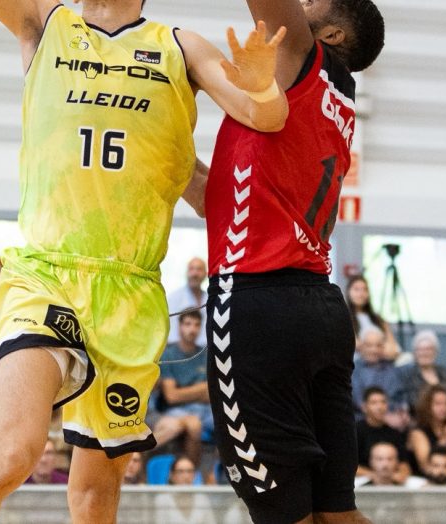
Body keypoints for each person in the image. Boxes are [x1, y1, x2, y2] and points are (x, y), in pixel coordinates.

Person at [0, 0, 292, 520]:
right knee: (12, 453)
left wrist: (262, 86)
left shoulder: (180, 46)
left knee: (96, 490)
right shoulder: (47, 22)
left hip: (130, 292)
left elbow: (266, 115)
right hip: (47, 272)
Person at [194, 0, 384, 518]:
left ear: (333, 35)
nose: (299, 4)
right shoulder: (336, 97)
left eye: (311, 2)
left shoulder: (300, 53)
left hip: (258, 304)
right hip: (318, 306)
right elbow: (223, 198)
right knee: (337, 514)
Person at [153, 310, 211, 464]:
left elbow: (212, 394)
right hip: (175, 410)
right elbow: (172, 397)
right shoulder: (168, 354)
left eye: (197, 325)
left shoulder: (205, 354)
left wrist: (185, 392)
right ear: (179, 326)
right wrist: (202, 388)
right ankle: (192, 473)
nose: (192, 329)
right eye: (188, 324)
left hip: (207, 410)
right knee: (193, 425)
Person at [408, 385, 446, 476]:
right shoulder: (418, 432)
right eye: (438, 404)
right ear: (427, 406)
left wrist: (443, 465)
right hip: (426, 481)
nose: (443, 408)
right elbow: (426, 466)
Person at [355, 387, 411, 484]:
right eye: (374, 403)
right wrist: (372, 475)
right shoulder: (355, 432)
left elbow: (404, 463)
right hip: (361, 482)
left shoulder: (394, 433)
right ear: (364, 407)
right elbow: (346, 465)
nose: (379, 407)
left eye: (383, 402)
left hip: (390, 482)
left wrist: (402, 474)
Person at [351, 328, 405, 426]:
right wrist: (384, 417)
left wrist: (402, 413)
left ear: (383, 347)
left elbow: (400, 398)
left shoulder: (392, 370)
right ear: (361, 347)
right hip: (362, 422)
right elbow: (359, 403)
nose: (374, 350)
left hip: (392, 420)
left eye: (378, 345)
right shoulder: (353, 369)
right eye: (369, 345)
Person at [345, 276, 400, 360]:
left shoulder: (378, 319)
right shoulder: (344, 318)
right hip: (357, 364)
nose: (361, 293)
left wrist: (369, 346)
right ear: (348, 292)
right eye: (356, 289)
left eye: (365, 289)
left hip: (383, 363)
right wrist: (379, 346)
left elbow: (393, 348)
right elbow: (353, 345)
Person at [397, 330, 446, 410]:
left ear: (436, 352)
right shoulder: (406, 373)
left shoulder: (444, 373)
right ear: (414, 353)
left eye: (428, 349)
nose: (424, 353)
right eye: (420, 349)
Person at [153, 455, 217, 524]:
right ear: (172, 475)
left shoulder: (202, 499)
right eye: (180, 471)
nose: (186, 476)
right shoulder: (162, 500)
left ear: (195, 475)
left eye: (189, 471)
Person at [166, 258, 208, 347]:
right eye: (191, 269)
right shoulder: (174, 298)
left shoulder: (209, 299)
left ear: (206, 274)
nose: (195, 273)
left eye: (199, 269)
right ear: (187, 273)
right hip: (177, 350)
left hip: (204, 351)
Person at [356, 442, 426, 488]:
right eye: (379, 459)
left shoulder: (413, 486)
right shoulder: (357, 487)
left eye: (390, 459)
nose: (385, 464)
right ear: (371, 461)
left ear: (397, 462)